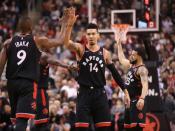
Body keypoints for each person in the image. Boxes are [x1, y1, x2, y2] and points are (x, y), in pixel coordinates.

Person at [0, 7, 77, 131]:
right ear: (31, 28)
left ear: (19, 28)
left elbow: (1, 66)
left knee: (16, 120)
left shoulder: (8, 42)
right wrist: (64, 24)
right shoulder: (36, 40)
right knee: (22, 121)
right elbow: (60, 41)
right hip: (27, 84)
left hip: (12, 83)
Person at [63, 17, 130, 131]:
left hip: (100, 94)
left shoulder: (105, 53)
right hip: (84, 94)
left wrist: (125, 90)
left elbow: (115, 73)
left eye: (93, 34)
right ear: (86, 36)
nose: (91, 36)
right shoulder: (81, 49)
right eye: (88, 34)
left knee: (104, 128)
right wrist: (69, 26)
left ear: (98, 35)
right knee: (82, 129)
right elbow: (66, 43)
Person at [114, 27, 149, 131]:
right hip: (129, 101)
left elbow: (145, 85)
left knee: (136, 129)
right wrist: (119, 44)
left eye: (133, 55)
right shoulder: (131, 66)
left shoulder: (142, 69)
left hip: (137, 100)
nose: (131, 56)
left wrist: (142, 99)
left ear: (139, 56)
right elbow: (121, 59)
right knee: (128, 129)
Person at [33, 52, 77, 131]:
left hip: (33, 92)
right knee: (43, 122)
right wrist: (67, 66)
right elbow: (55, 61)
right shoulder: (42, 55)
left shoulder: (30, 57)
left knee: (38, 122)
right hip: (40, 91)